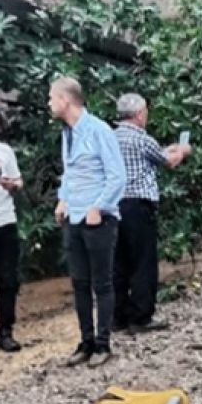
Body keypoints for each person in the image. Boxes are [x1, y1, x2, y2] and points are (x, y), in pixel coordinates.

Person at [50, 77, 126, 367]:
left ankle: (103, 344)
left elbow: (117, 176)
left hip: (98, 220)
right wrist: (63, 198)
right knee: (79, 283)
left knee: (102, 282)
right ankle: (86, 341)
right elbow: (69, 174)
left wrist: (100, 207)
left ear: (65, 100)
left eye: (51, 97)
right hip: (74, 217)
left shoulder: (99, 130)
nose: (49, 103)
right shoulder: (67, 134)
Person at [113, 93, 191, 336]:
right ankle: (141, 316)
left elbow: (156, 154)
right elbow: (169, 161)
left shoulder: (110, 137)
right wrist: (184, 150)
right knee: (143, 262)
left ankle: (118, 316)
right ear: (138, 114)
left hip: (114, 205)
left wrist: (166, 150)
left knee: (119, 263)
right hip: (138, 206)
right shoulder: (141, 138)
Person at [0, 104, 24, 352]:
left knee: (8, 280)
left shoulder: (4, 151)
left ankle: (6, 330)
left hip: (4, 222)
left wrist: (11, 184)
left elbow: (18, 180)